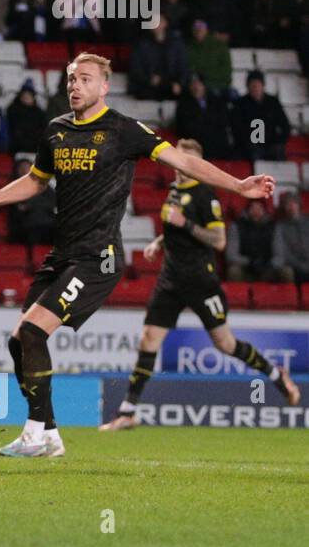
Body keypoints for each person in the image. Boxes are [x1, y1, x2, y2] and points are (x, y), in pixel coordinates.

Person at [0, 53, 275, 458]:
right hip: (62, 255)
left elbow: (183, 161)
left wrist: (239, 186)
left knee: (31, 333)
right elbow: (34, 182)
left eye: (84, 79)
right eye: (70, 79)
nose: (74, 86)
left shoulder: (124, 130)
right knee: (18, 342)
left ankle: (35, 433)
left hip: (98, 257)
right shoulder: (56, 131)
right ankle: (48, 433)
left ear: (104, 87)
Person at [102, 139, 301, 429]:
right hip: (170, 279)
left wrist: (185, 225)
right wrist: (160, 241)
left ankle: (275, 374)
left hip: (200, 280)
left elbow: (218, 240)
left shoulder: (205, 196)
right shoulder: (173, 190)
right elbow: (174, 226)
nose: (181, 168)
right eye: (179, 161)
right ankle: (128, 411)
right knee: (148, 339)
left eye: (187, 162)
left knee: (225, 344)